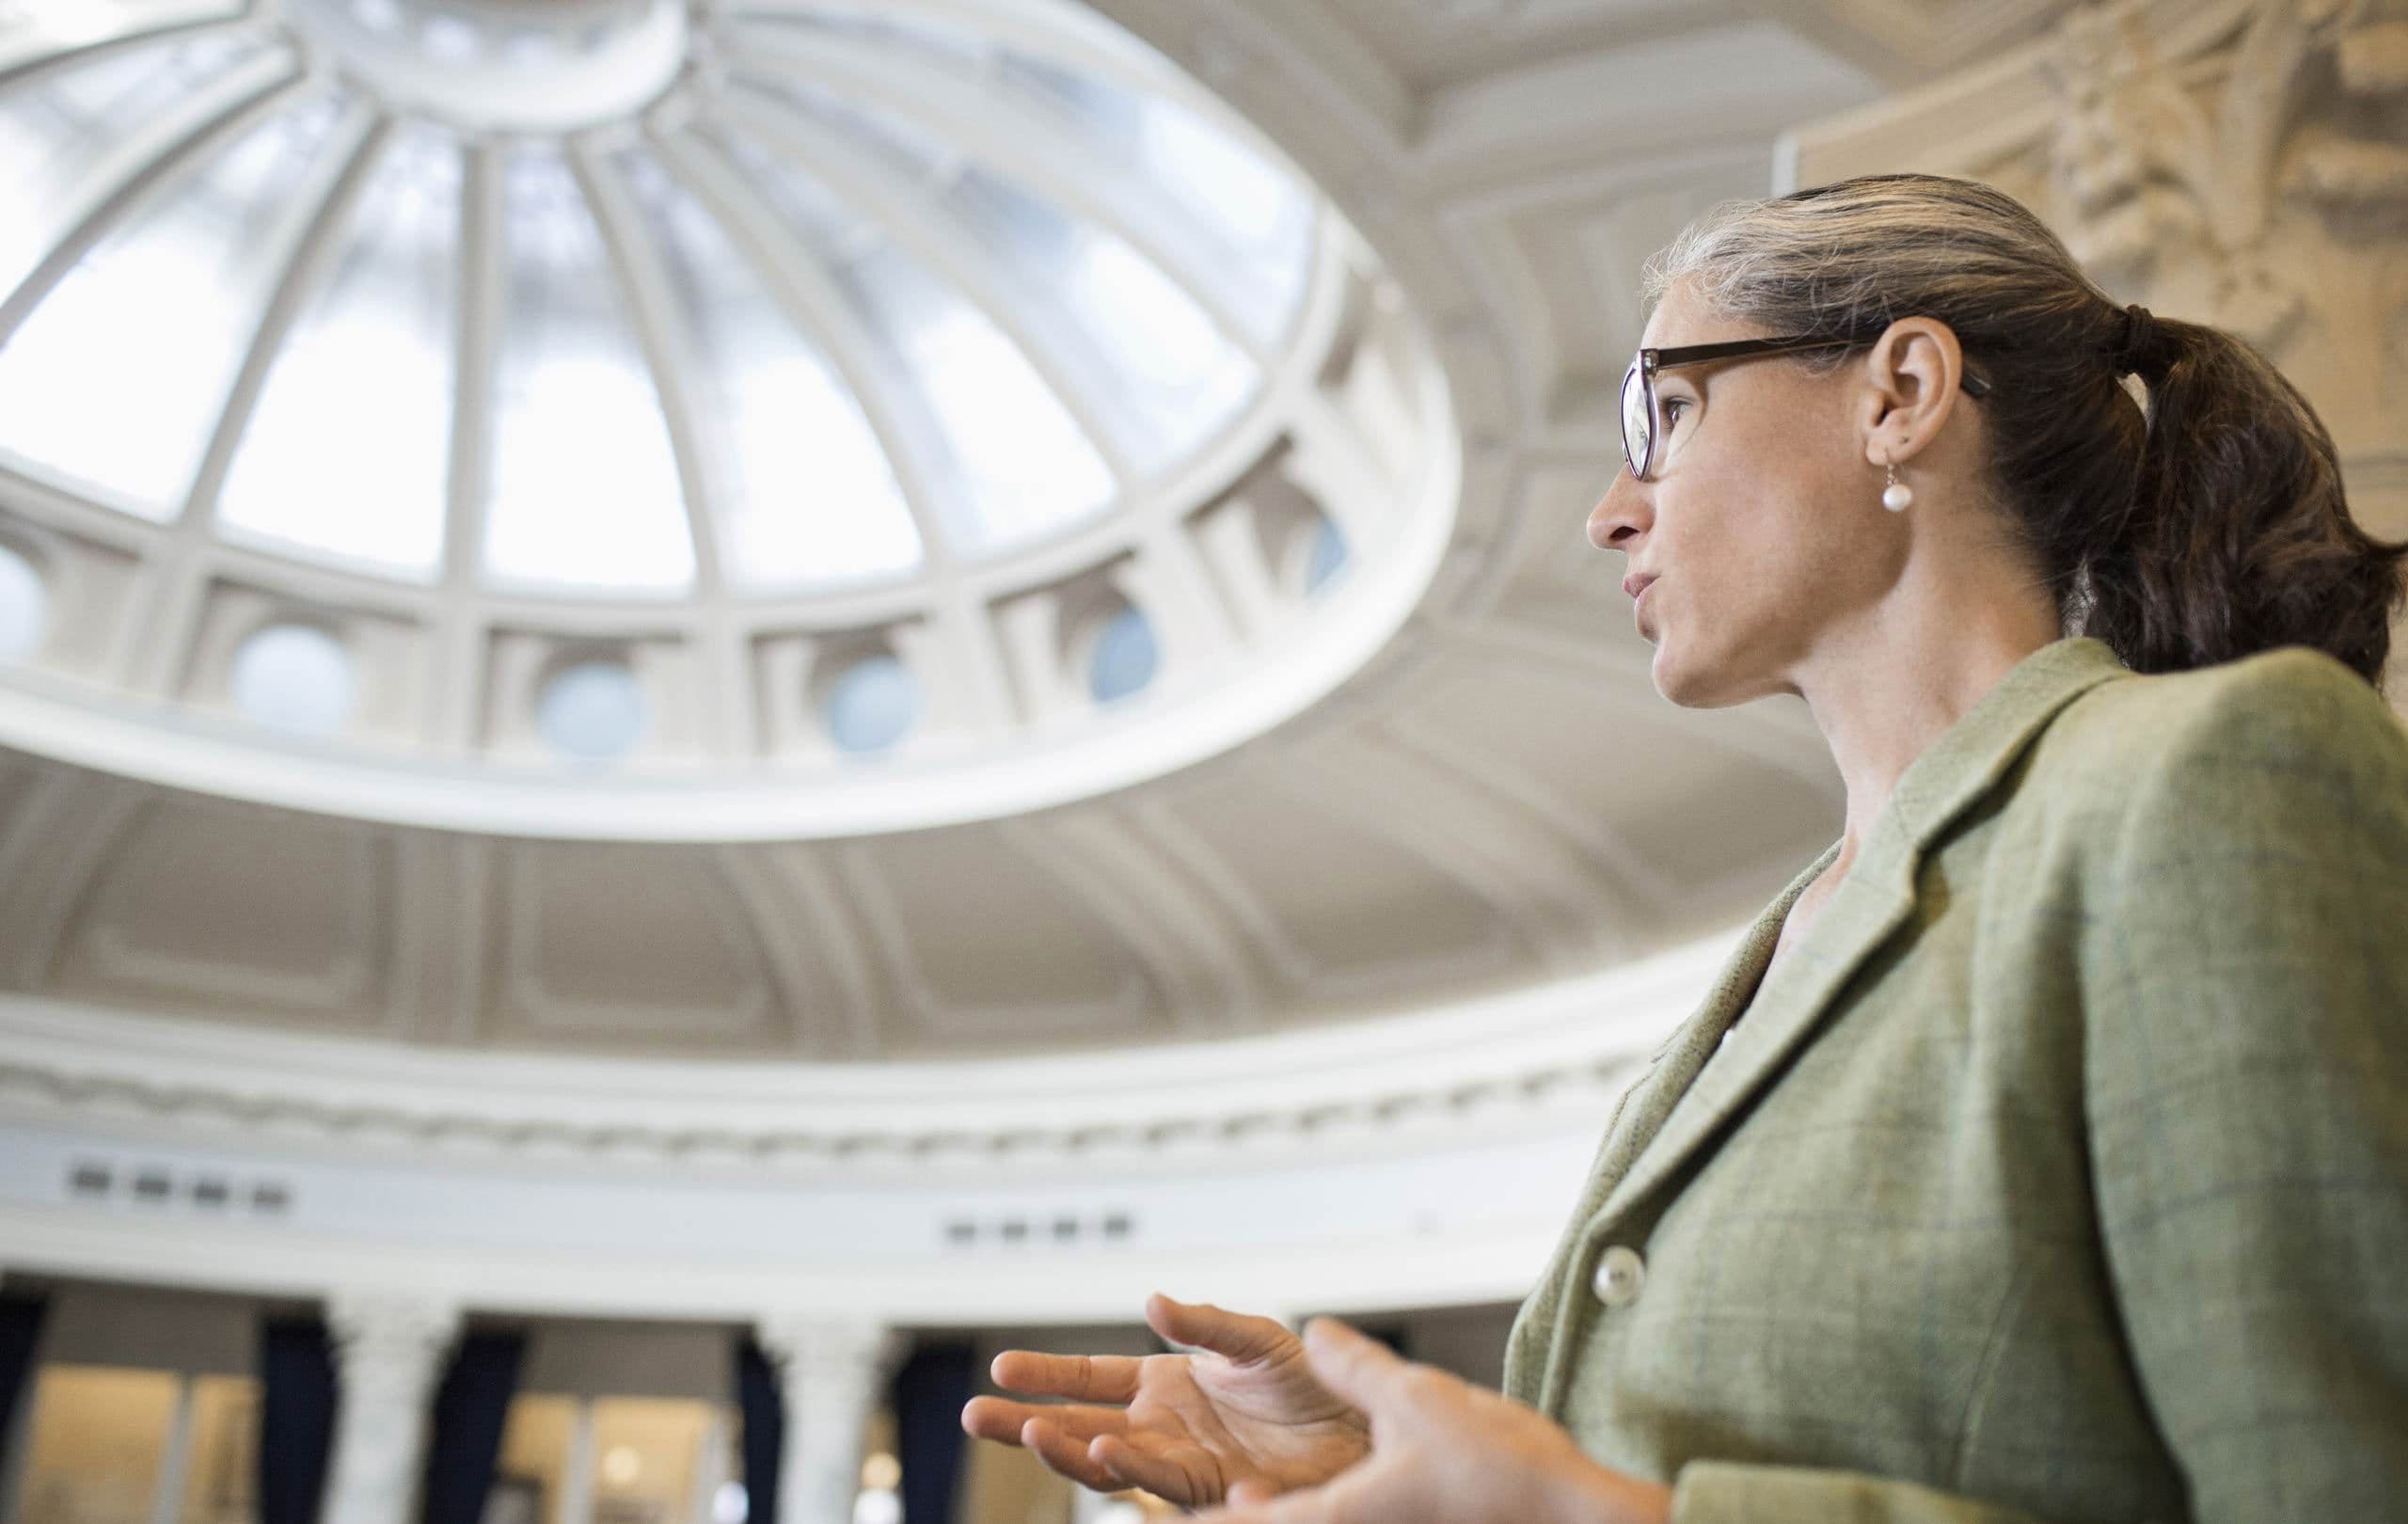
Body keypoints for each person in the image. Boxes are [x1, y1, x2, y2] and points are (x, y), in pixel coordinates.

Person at [959, 172, 2408, 1523]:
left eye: (1667, 413)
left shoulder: (2210, 781)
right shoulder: (1752, 977)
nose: (1610, 513)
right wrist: (1391, 1474)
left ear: (1901, 394)